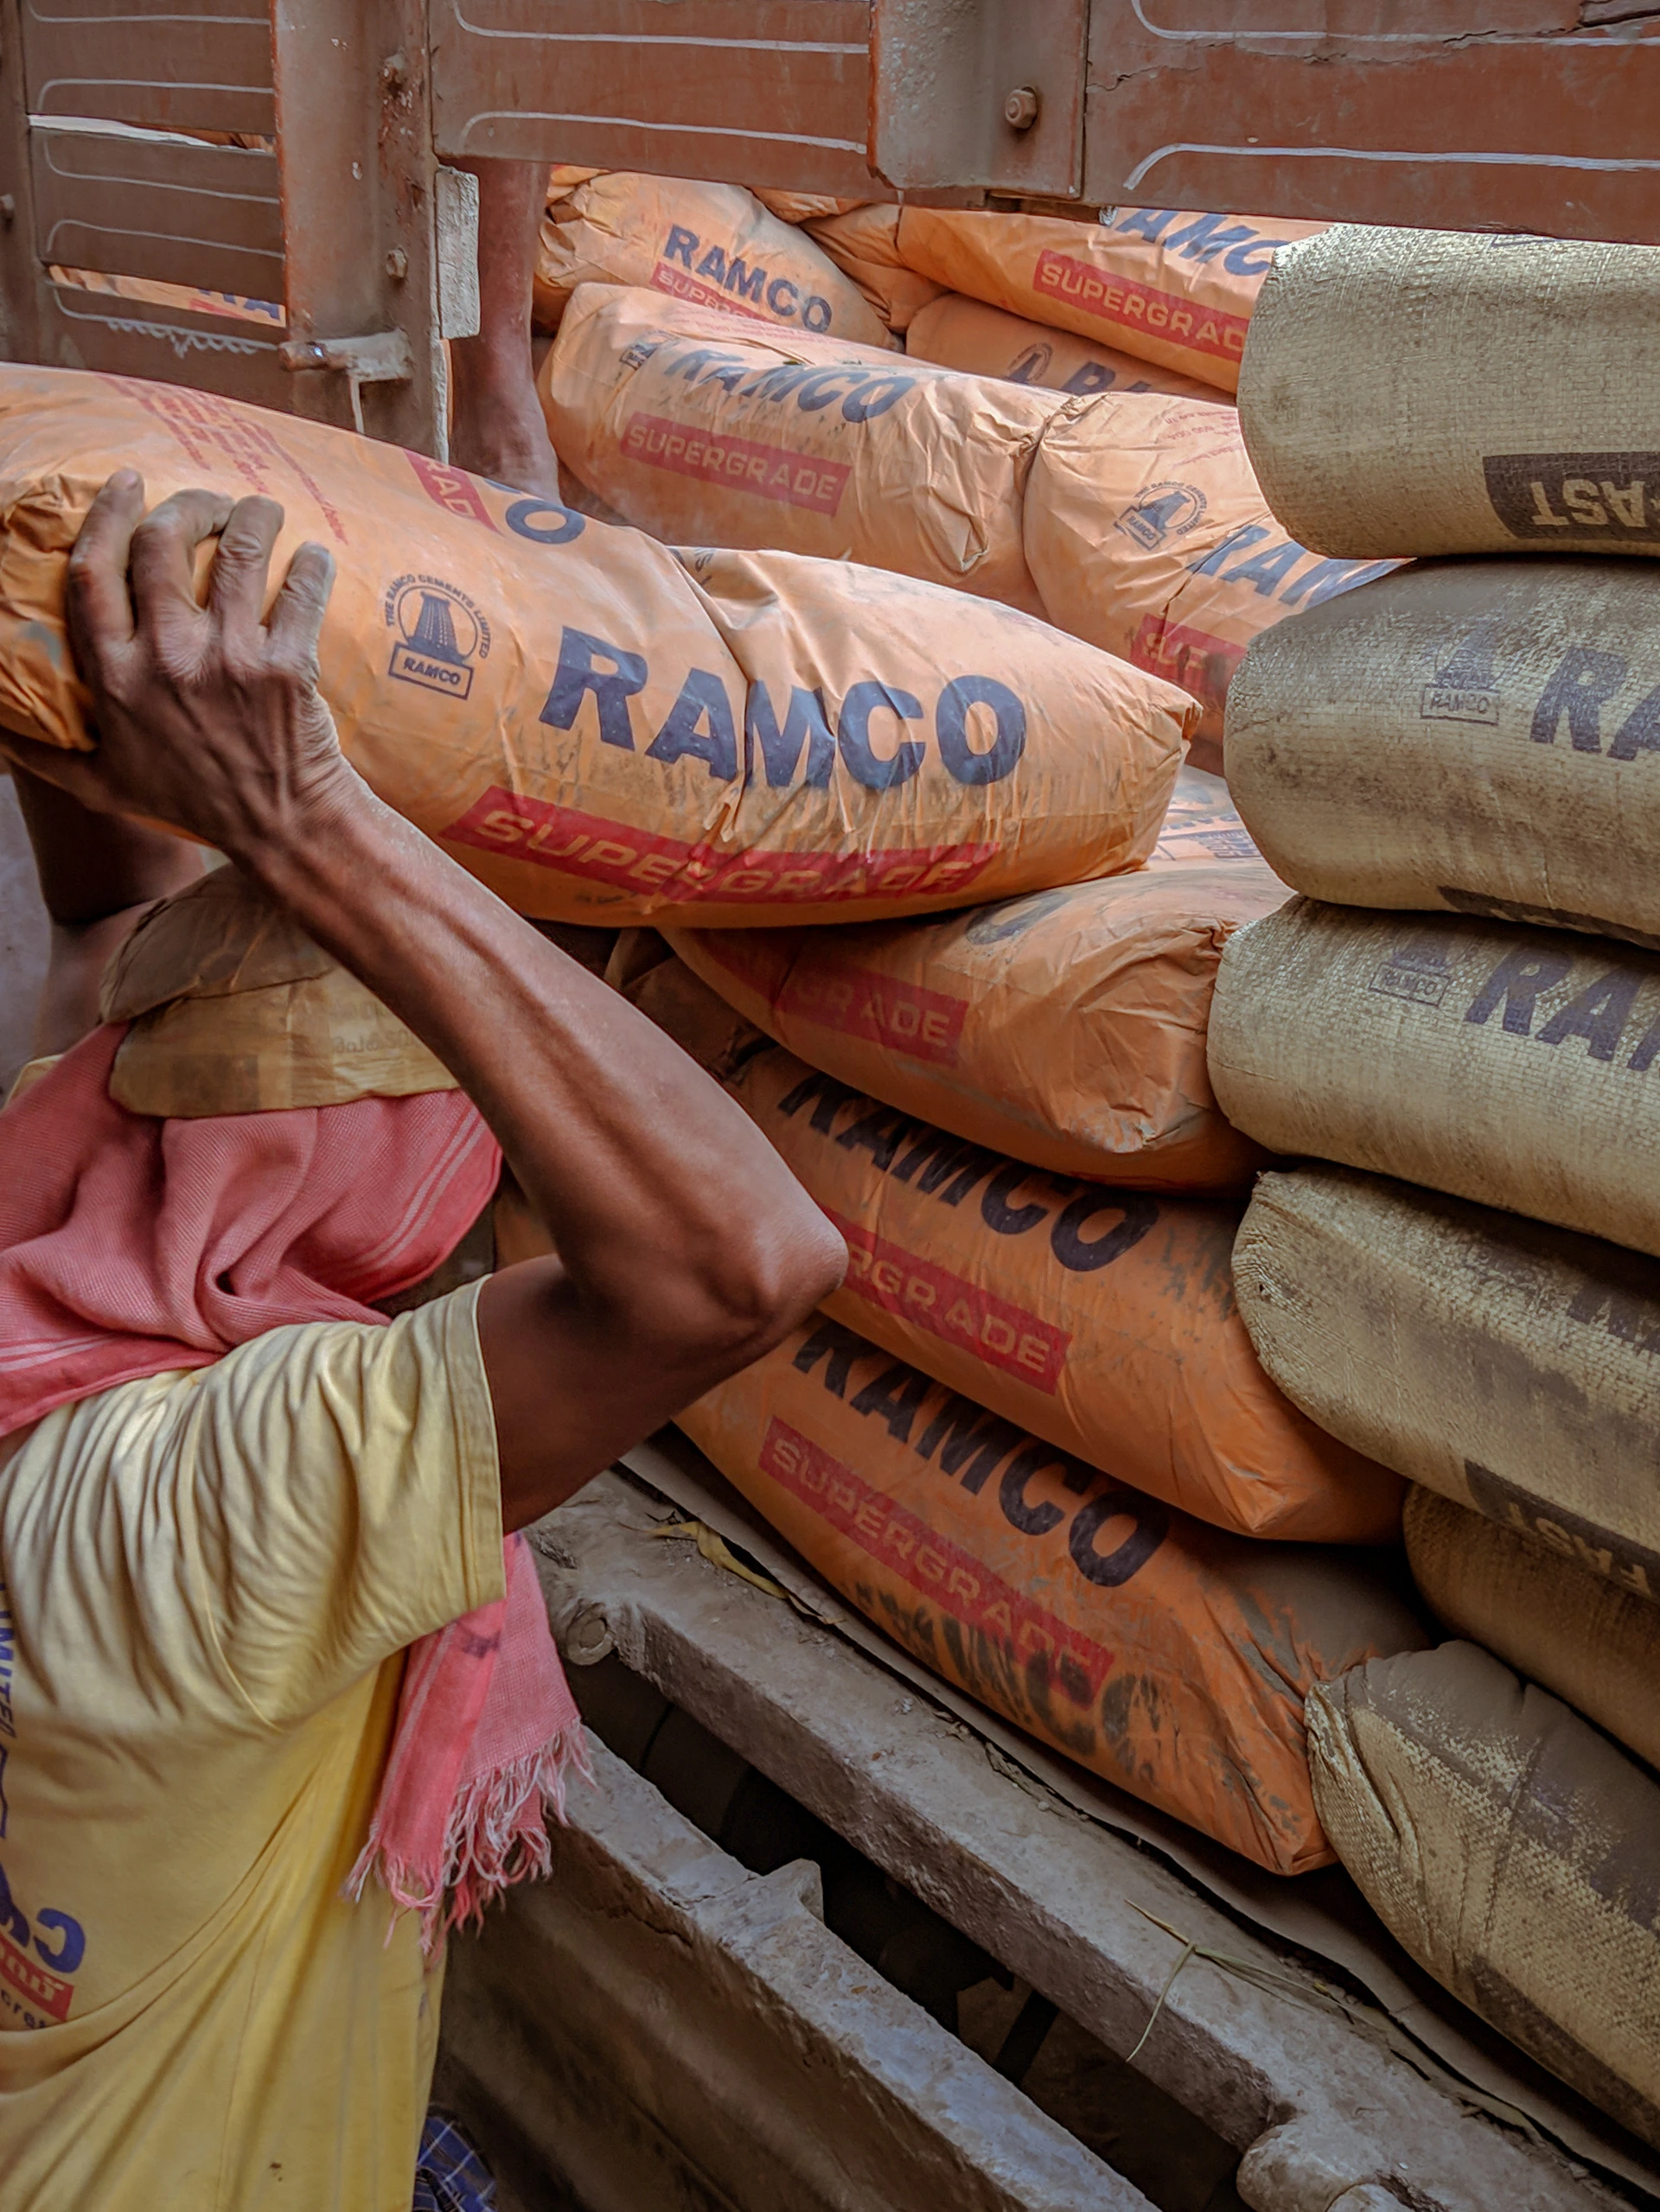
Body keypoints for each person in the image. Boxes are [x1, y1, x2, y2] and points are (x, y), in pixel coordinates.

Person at [0, 473, 846, 2209]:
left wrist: (69, 653)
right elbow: (736, 1268)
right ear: (412, 1190)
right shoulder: (206, 1509)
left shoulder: (61, 1239)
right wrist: (309, 823)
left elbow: (105, 938)